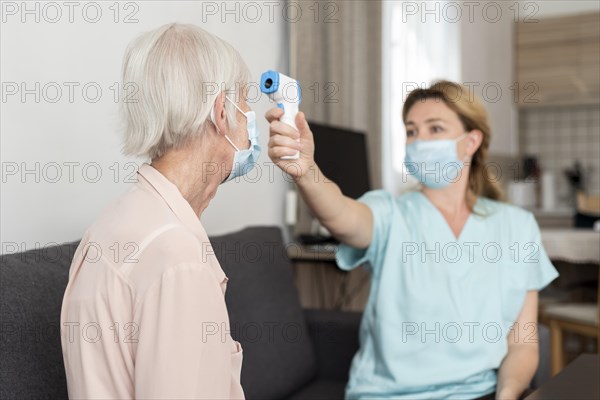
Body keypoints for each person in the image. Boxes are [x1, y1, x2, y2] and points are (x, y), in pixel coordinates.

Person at [265, 80, 559, 400]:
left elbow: (523, 341)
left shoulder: (517, 226)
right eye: (411, 131)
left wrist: (507, 394)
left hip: (480, 393)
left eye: (435, 129)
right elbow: (342, 216)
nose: (419, 141)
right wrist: (306, 172)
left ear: (471, 141)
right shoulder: (390, 213)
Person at [60, 23, 258, 399]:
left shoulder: (109, 226)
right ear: (221, 112)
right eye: (245, 100)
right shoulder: (178, 260)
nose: (251, 117)